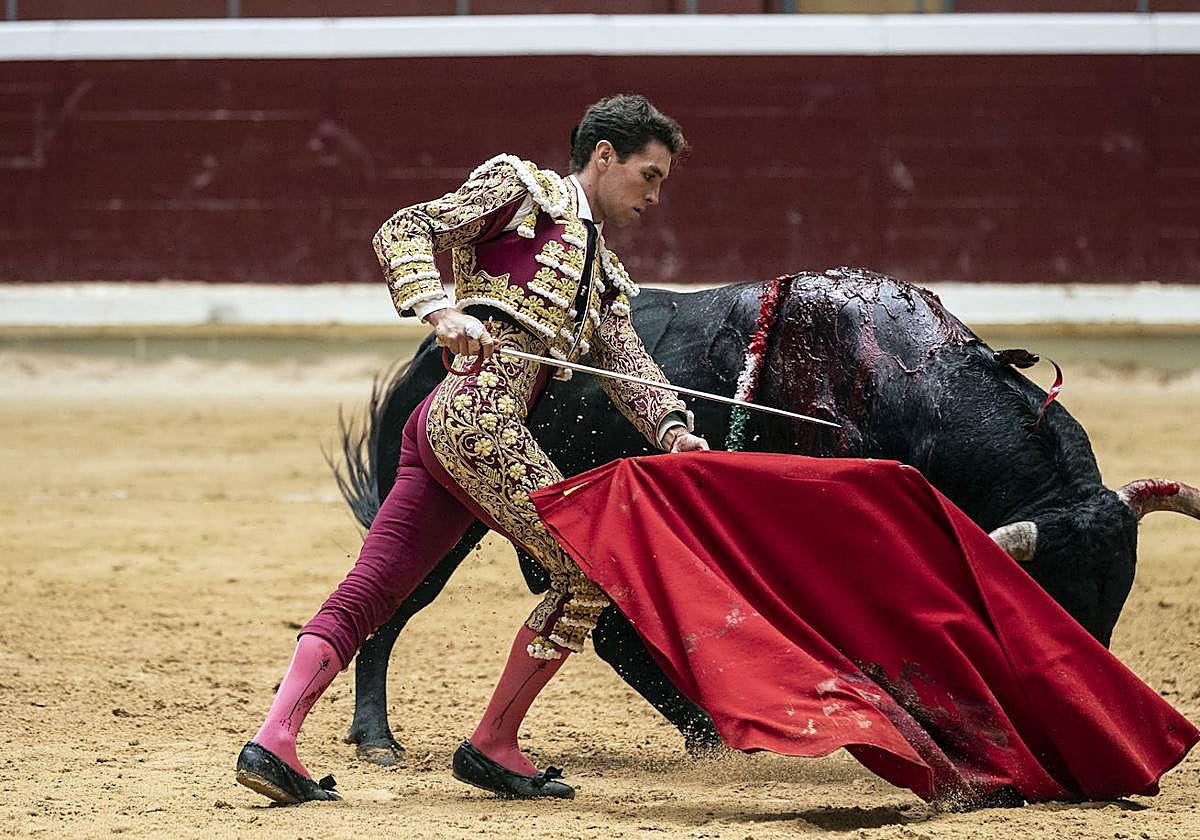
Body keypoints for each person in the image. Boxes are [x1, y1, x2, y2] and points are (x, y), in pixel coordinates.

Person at [235, 93, 709, 805]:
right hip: (480, 422)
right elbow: (405, 229)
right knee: (587, 572)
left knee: (373, 588)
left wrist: (674, 431)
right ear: (604, 158)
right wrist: (440, 310)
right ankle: (493, 742)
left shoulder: (602, 274)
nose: (655, 195)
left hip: (445, 427)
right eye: (650, 175)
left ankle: (275, 741)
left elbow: (632, 365)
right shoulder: (522, 191)